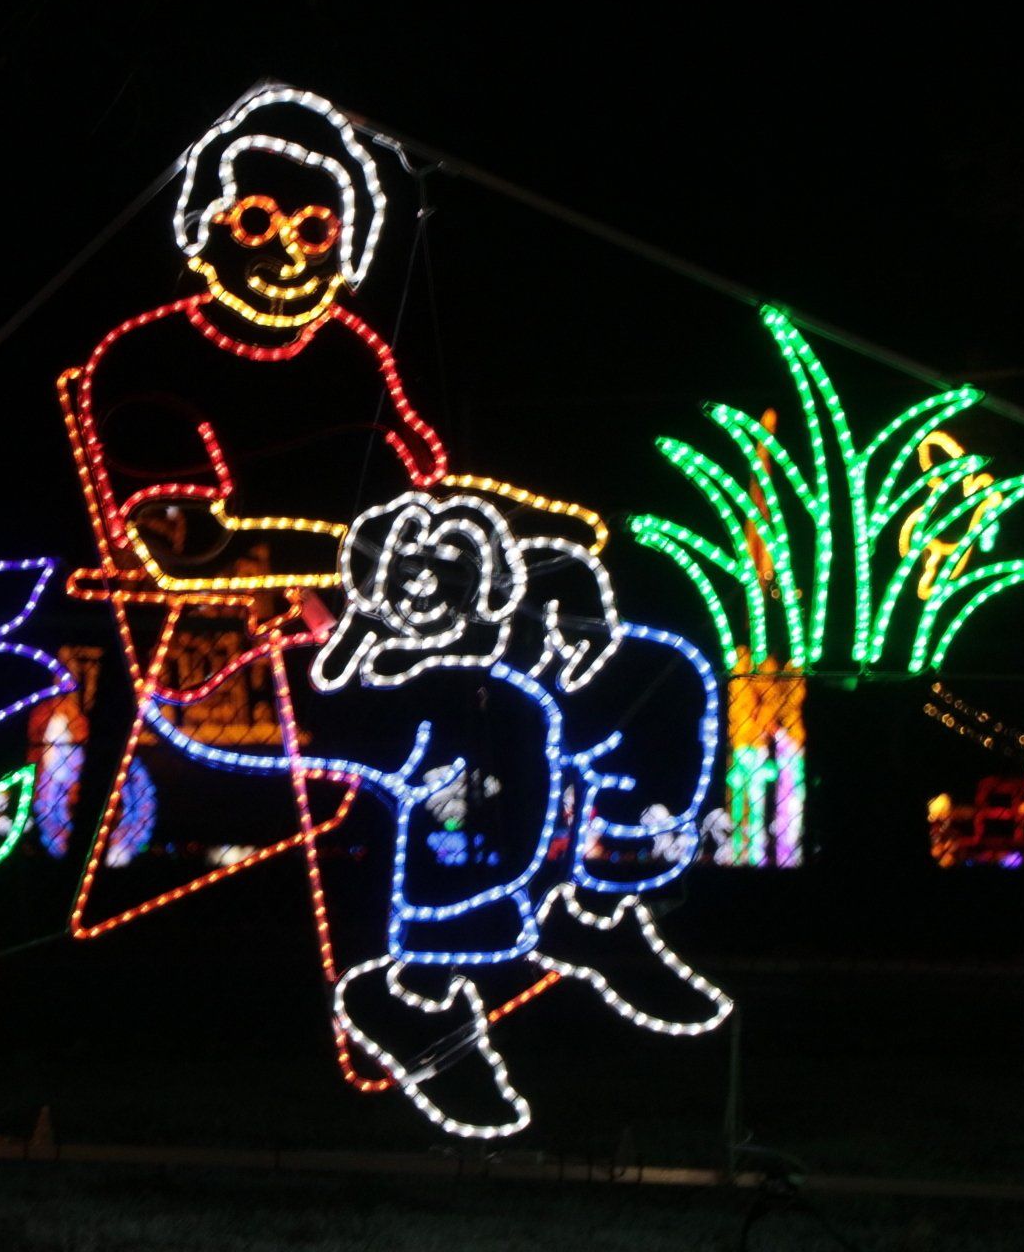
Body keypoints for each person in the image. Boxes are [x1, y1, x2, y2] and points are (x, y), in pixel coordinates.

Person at [58, 86, 726, 1136]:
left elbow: (433, 497)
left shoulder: (353, 351)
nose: (290, 250)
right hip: (242, 659)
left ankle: (599, 900)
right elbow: (180, 539)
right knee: (480, 718)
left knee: (657, 671)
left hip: (417, 628)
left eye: (319, 228)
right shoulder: (147, 358)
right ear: (204, 227)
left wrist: (530, 534)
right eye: (258, 221)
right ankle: (411, 993)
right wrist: (369, 562)